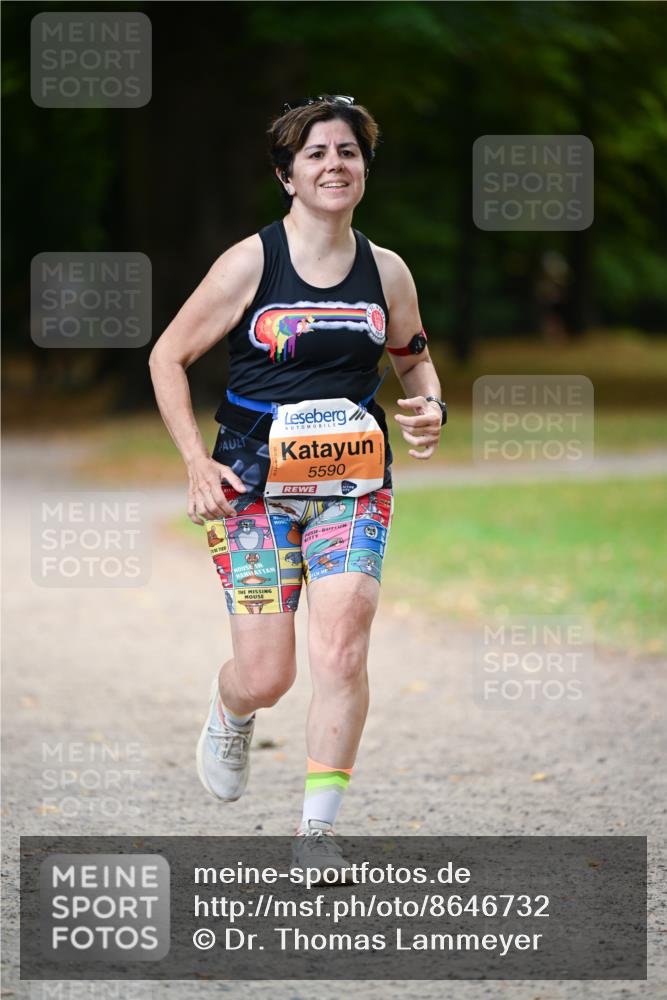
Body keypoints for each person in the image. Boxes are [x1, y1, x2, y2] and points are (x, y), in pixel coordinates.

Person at [149, 95, 446, 877]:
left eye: (347, 152)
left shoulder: (386, 270)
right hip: (249, 485)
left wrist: (430, 405)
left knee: (342, 646)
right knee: (268, 674)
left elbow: (412, 355)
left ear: (363, 170)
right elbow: (165, 357)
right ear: (287, 174)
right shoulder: (251, 262)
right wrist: (193, 461)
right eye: (315, 154)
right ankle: (233, 707)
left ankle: (316, 831)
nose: (333, 165)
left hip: (352, 484)